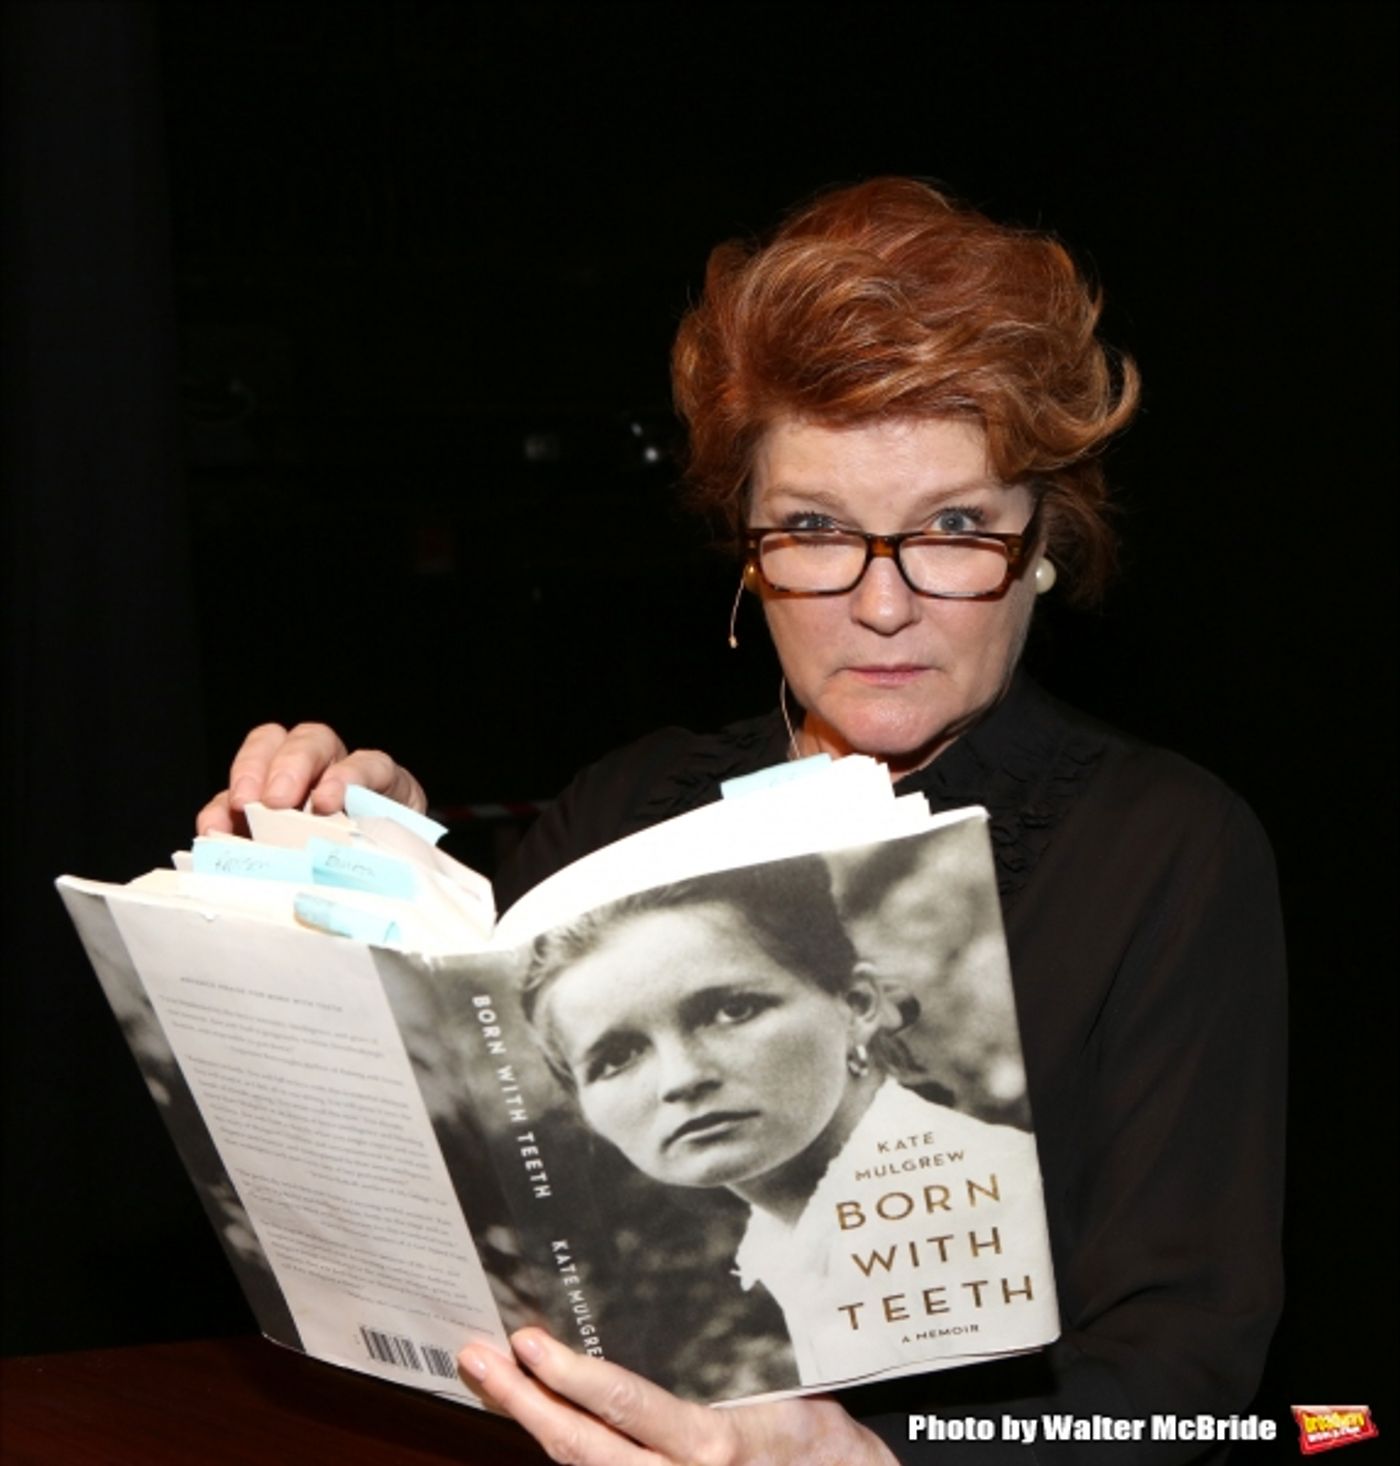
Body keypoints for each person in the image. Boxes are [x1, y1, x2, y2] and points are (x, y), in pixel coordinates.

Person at [199, 178, 1285, 1464]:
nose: (881, 603)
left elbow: (1184, 1381)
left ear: (1042, 542)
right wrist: (361, 871)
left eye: (952, 527)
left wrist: (872, 1460)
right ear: (749, 554)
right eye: (815, 529)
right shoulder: (624, 804)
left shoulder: (1161, 845)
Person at [519, 857, 1054, 1390]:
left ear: (858, 1006)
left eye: (732, 1011)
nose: (681, 1079)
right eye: (616, 1058)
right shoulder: (794, 1239)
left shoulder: (1006, 1204)